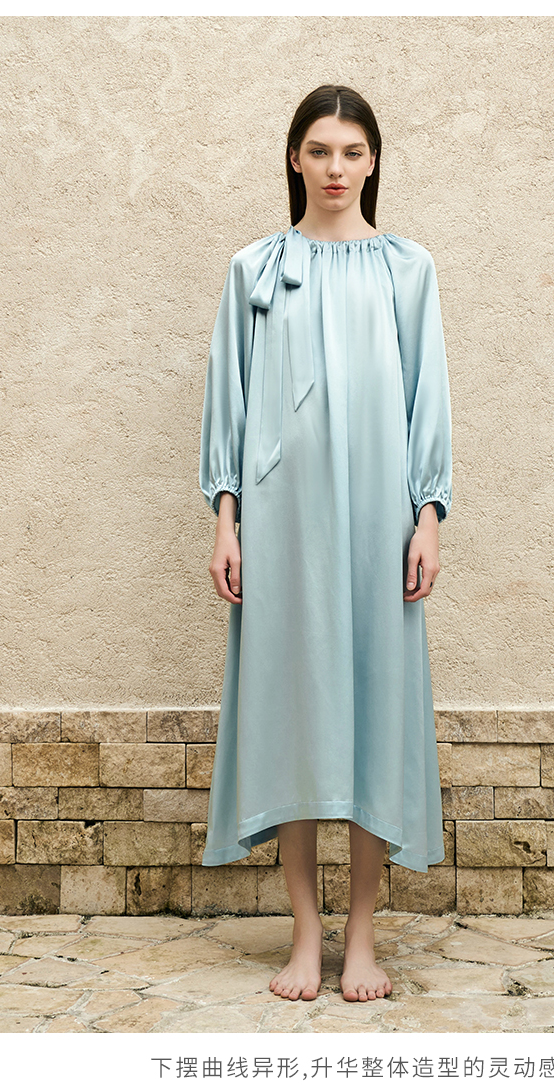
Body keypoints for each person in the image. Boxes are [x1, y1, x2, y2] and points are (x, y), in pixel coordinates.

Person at [199, 84, 453, 1003]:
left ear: (373, 160)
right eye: (319, 150)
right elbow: (228, 400)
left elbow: (427, 397)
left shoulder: (407, 269)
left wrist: (428, 517)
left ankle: (362, 934)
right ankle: (305, 931)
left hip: (382, 523)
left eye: (352, 151)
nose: (335, 168)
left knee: (375, 713)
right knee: (293, 714)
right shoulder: (255, 270)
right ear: (294, 158)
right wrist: (226, 523)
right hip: (282, 527)